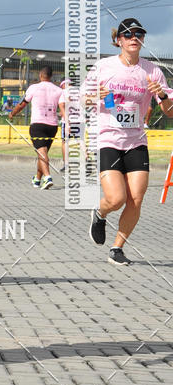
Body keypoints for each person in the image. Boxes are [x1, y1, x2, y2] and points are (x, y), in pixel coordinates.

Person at [86, 17, 173, 265]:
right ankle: (100, 213)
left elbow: (169, 111)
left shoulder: (152, 71)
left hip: (136, 141)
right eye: (128, 34)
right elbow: (82, 100)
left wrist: (162, 94)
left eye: (139, 34)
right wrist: (93, 97)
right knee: (117, 198)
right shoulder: (104, 67)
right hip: (109, 139)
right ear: (118, 40)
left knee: (136, 197)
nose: (134, 38)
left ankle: (117, 248)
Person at [10, 65, 62, 189]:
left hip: (38, 125)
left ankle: (48, 177)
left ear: (40, 75)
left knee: (42, 152)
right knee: (42, 153)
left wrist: (12, 113)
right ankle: (37, 179)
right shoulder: (58, 90)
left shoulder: (34, 88)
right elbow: (63, 107)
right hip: (53, 125)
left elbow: (22, 104)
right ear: (51, 76)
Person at [58, 79, 71, 171]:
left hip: (67, 121)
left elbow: (62, 106)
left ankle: (66, 164)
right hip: (79, 120)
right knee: (81, 141)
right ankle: (87, 159)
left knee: (65, 142)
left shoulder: (63, 92)